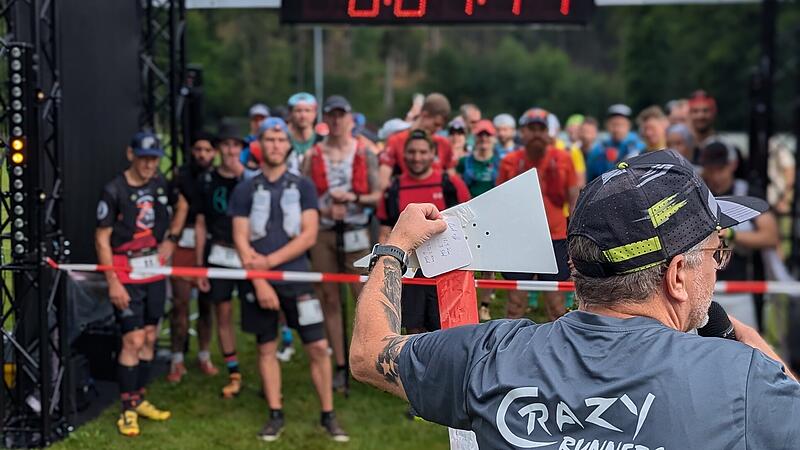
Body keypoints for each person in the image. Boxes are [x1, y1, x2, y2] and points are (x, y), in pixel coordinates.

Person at [350, 150, 800, 449]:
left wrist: (395, 248)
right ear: (678, 275)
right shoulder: (742, 379)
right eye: (713, 252)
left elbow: (370, 353)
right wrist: (753, 347)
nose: (717, 267)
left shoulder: (488, 356)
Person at [228, 117, 348, 442]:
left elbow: (309, 236)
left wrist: (268, 263)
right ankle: (275, 414)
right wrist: (261, 280)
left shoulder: (303, 186)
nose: (276, 146)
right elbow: (240, 239)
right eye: (269, 140)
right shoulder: (244, 188)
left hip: (297, 278)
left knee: (318, 347)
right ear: (259, 144)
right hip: (260, 283)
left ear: (288, 145)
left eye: (281, 140)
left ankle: (328, 415)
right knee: (266, 348)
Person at [95, 131, 174, 437]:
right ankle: (127, 409)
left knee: (151, 337)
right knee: (133, 340)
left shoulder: (159, 185)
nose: (149, 165)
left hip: (153, 270)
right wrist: (112, 281)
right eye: (144, 158)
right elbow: (101, 240)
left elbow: (171, 216)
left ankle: (139, 397)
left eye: (153, 159)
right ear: (131, 155)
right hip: (125, 272)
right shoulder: (113, 190)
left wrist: (171, 240)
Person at [303, 95, 381, 391]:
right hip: (323, 232)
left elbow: (376, 194)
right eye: (331, 115)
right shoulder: (313, 155)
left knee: (363, 296)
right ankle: (338, 362)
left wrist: (354, 199)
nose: (336, 121)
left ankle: (368, 359)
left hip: (356, 231)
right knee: (328, 298)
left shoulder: (364, 152)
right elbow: (304, 192)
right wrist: (323, 211)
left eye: (341, 115)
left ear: (350, 118)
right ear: (326, 119)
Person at [377, 129, 471, 334]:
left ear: (432, 154)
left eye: (422, 152)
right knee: (414, 333)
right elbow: (385, 229)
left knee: (452, 333)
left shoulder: (450, 184)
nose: (416, 157)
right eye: (411, 152)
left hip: (449, 273)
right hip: (411, 275)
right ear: (404, 155)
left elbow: (469, 223)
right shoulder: (394, 189)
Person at [497, 108, 579, 322]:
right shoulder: (510, 162)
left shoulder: (563, 159)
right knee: (515, 304)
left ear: (548, 132)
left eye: (540, 129)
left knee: (556, 306)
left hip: (555, 238)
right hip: (520, 240)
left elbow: (574, 201)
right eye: (530, 129)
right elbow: (500, 204)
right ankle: (510, 348)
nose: (536, 134)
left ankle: (560, 349)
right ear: (522, 132)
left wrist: (575, 241)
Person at [193, 124, 248, 399]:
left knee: (257, 311)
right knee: (222, 312)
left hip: (247, 255)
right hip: (218, 254)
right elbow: (201, 224)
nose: (230, 150)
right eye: (225, 145)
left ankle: (269, 360)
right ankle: (233, 371)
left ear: (241, 149)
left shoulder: (250, 180)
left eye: (235, 145)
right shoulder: (206, 181)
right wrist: (200, 263)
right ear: (219, 149)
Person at [700, 141, 779, 329]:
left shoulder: (747, 193)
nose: (716, 176)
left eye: (722, 169)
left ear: (733, 165)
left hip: (740, 289)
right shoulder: (698, 193)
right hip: (702, 290)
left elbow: (770, 236)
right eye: (711, 169)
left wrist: (732, 234)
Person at [165, 133, 218, 383]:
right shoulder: (180, 177)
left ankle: (204, 355)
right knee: (180, 304)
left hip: (209, 246)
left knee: (207, 306)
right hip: (182, 247)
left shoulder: (218, 179)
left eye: (207, 150)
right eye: (198, 149)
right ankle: (177, 359)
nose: (202, 155)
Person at [456, 119, 502, 321]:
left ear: (493, 138)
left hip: (491, 216)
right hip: (466, 216)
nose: (484, 139)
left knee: (489, 266)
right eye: (480, 135)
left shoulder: (501, 161)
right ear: (475, 138)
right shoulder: (464, 162)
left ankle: (485, 305)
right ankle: (466, 302)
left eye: (487, 135)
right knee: (467, 263)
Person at [378, 93, 454, 190]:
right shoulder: (396, 140)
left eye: (441, 126)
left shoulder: (444, 143)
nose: (438, 129)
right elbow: (383, 182)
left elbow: (452, 180)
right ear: (424, 114)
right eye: (436, 124)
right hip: (407, 198)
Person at [688, 90, 748, 180]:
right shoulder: (684, 147)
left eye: (705, 111)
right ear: (689, 114)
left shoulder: (728, 147)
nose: (700, 115)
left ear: (713, 113)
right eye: (695, 111)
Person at [586, 104, 645, 181]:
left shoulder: (639, 148)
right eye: (613, 125)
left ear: (628, 125)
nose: (617, 129)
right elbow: (590, 177)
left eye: (621, 125)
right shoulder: (598, 150)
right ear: (607, 125)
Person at [287, 92, 319, 158]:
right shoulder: (283, 140)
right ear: (290, 114)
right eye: (298, 111)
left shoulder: (321, 140)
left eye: (307, 111)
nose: (303, 116)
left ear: (315, 113)